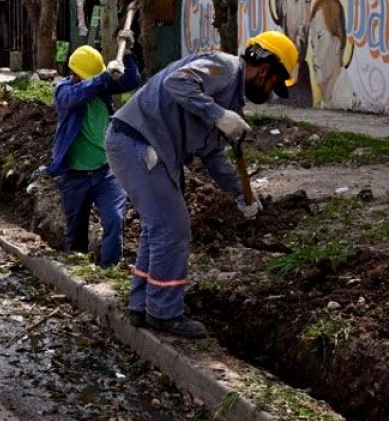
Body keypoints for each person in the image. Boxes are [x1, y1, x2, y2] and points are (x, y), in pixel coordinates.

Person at [104, 31, 299, 338]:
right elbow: (177, 82)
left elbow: (213, 155)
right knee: (172, 228)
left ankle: (142, 305)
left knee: (157, 229)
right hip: (138, 142)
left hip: (144, 147)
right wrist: (217, 114)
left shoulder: (230, 98)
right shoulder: (225, 68)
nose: (271, 92)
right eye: (274, 83)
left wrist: (240, 192)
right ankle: (164, 312)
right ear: (265, 69)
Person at [45, 31, 141, 267]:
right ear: (75, 74)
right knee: (76, 231)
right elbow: (74, 96)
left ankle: (109, 268)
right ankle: (77, 268)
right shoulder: (64, 90)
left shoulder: (100, 87)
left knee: (114, 219)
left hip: (106, 171)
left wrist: (127, 53)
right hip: (75, 176)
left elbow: (131, 81)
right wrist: (102, 77)